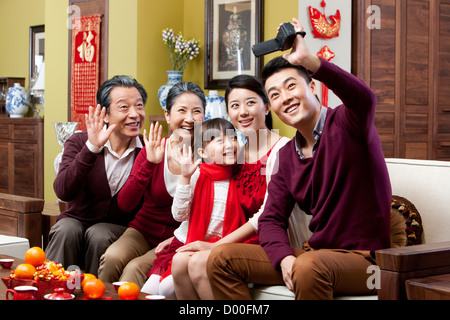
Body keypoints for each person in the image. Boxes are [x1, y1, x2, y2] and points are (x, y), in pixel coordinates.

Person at [207, 18, 391, 300]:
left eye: (291, 86)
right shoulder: (286, 156)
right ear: (272, 108)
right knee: (221, 258)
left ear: (313, 88)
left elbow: (364, 97)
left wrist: (309, 60)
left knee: (309, 267)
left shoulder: (347, 124)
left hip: (366, 262)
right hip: (314, 256)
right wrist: (283, 258)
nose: (285, 98)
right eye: (275, 94)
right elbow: (270, 219)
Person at [170, 75, 309, 300]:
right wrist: (180, 235)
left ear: (266, 107)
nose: (242, 112)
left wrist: (213, 246)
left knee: (198, 261)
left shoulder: (283, 151)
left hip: (278, 242)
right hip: (243, 242)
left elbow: (266, 215)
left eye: (250, 102)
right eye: (235, 105)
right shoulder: (236, 155)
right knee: (179, 262)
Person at [97, 82, 206, 288]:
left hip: (181, 237)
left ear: (204, 117)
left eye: (197, 111)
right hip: (141, 231)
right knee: (112, 257)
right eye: (181, 110)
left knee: (134, 269)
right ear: (167, 115)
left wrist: (180, 238)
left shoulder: (210, 155)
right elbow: (125, 204)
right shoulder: (153, 150)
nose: (189, 119)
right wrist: (149, 162)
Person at [142, 118, 257, 299]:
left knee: (168, 287)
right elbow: (179, 215)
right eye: (219, 140)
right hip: (188, 241)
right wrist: (185, 178)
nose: (229, 144)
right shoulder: (197, 174)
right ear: (203, 151)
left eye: (232, 138)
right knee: (157, 289)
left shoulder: (241, 175)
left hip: (220, 243)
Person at [45, 75, 148, 276]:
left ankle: (95, 293)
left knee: (100, 233)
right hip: (75, 219)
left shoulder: (147, 150)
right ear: (105, 114)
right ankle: (51, 288)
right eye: (124, 107)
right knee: (66, 229)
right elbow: (63, 191)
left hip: (118, 227)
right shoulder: (79, 142)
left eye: (139, 106)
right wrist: (91, 148)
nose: (135, 114)